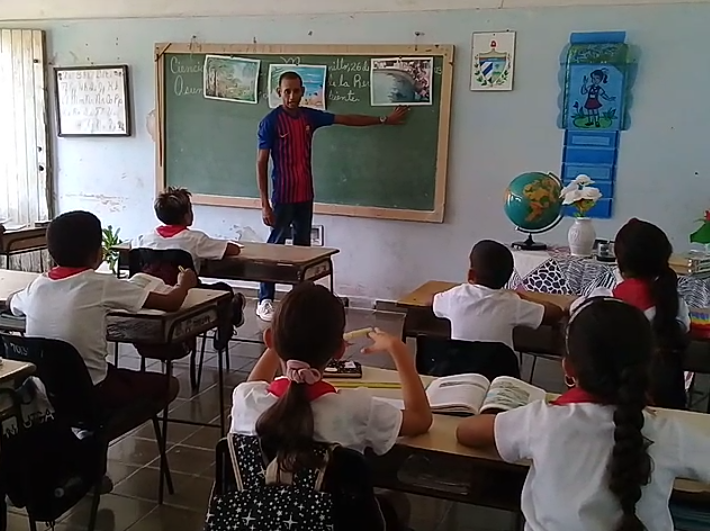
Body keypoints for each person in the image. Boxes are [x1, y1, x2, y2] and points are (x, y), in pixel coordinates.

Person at [456, 297, 710, 531]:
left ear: (568, 367)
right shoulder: (668, 433)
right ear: (648, 363)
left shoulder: (541, 420)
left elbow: (466, 432)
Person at [230, 283, 431, 528]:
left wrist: (279, 341)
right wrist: (399, 350)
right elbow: (421, 418)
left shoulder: (245, 399)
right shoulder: (357, 409)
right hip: (333, 522)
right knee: (396, 503)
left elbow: (257, 383)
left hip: (258, 521)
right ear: (339, 350)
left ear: (269, 338)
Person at [255, 71, 409, 322]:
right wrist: (264, 203)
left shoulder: (309, 116)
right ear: (278, 93)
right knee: (275, 249)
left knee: (303, 250)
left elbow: (347, 118)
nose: (292, 96)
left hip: (305, 196)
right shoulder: (270, 122)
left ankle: (299, 300)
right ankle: (264, 300)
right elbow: (261, 163)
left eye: (296, 91)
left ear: (303, 91)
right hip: (282, 196)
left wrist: (384, 120)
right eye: (287, 91)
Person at [9, 210, 195, 413]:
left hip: (47, 389)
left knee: (109, 372)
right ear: (98, 254)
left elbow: (12, 303)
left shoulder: (37, 286)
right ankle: (102, 429)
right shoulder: (102, 284)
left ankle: (83, 427)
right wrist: (184, 283)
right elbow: (171, 303)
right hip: (94, 390)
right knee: (170, 385)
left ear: (51, 252)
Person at [570, 218, 690, 409]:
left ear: (618, 261)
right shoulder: (674, 306)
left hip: (603, 400)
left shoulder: (601, 300)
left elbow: (575, 312)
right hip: (664, 404)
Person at [131, 186, 246, 333]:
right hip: (186, 297)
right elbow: (232, 250)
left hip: (150, 297)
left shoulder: (140, 240)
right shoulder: (195, 239)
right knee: (224, 290)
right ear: (187, 214)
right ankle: (225, 327)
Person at [432, 240, 564, 349]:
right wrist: (524, 297)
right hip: (499, 376)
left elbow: (430, 301)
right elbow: (556, 313)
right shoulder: (512, 303)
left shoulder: (455, 296)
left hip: (459, 375)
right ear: (509, 276)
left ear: (471, 275)